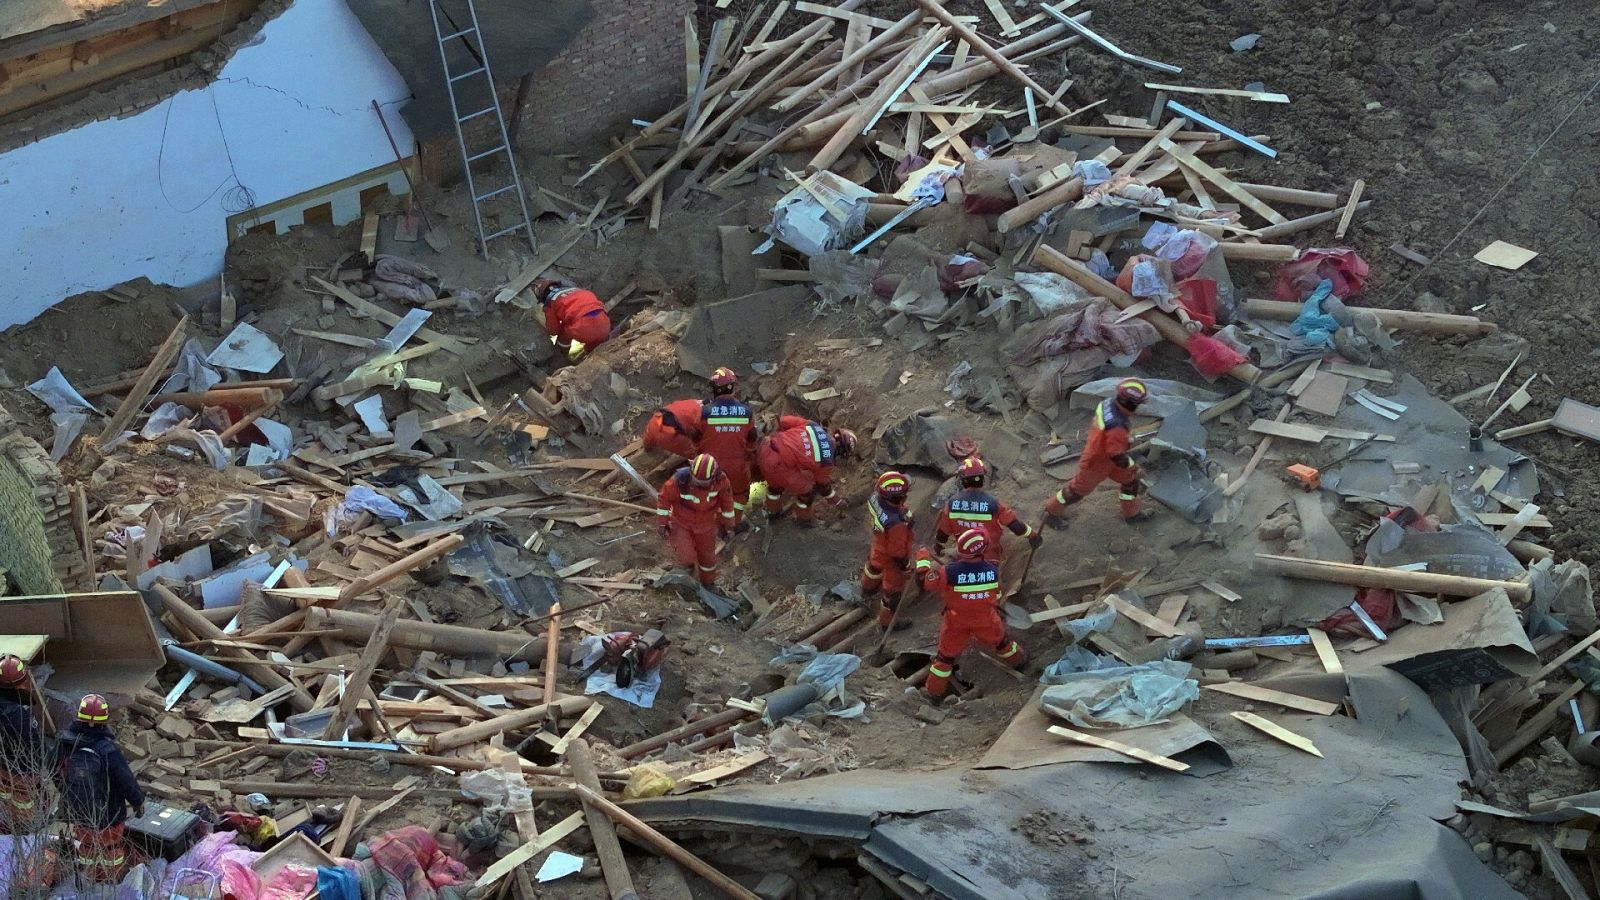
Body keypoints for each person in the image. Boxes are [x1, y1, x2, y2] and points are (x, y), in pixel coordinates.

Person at [914, 529, 1027, 701]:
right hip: (986, 619)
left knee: (945, 658)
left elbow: (926, 583)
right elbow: (995, 594)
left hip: (956, 622)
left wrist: (923, 558)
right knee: (1002, 643)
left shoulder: (948, 572)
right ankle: (1020, 662)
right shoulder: (991, 570)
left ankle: (933, 693)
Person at [57, 694, 143, 883]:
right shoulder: (107, 750)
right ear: (105, 720)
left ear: (78, 716)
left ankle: (89, 880)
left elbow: (55, 771)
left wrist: (67, 794)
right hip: (109, 815)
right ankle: (111, 884)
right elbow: (125, 780)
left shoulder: (65, 743)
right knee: (112, 852)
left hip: (80, 814)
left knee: (87, 849)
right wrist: (138, 802)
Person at [1044, 378, 1153, 527]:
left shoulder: (1107, 404)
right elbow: (1117, 456)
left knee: (1130, 482)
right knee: (1075, 492)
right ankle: (1051, 512)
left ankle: (1131, 514)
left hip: (1103, 454)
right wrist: (1135, 468)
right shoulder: (1117, 428)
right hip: (1096, 463)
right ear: (1131, 404)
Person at [933, 456, 1040, 561]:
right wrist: (1033, 536)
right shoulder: (994, 503)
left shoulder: (952, 504)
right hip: (990, 557)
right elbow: (1016, 527)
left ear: (962, 480)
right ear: (983, 478)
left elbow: (943, 533)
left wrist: (938, 547)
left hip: (965, 557)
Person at [756, 416, 856, 526]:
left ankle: (772, 511)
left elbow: (784, 421)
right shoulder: (826, 461)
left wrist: (788, 441)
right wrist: (836, 501)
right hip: (778, 467)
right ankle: (804, 520)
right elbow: (823, 487)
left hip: (765, 449)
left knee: (776, 486)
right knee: (808, 492)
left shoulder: (812, 425)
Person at [655, 454, 735, 587]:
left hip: (706, 526)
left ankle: (708, 584)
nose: (700, 486)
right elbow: (664, 500)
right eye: (697, 482)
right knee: (686, 556)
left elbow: (727, 505)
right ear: (691, 470)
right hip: (681, 523)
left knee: (707, 559)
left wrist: (729, 527)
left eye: (704, 483)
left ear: (714, 476)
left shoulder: (721, 481)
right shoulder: (679, 481)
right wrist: (661, 523)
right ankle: (688, 574)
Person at [697, 368, 758, 526]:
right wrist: (750, 454)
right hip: (738, 466)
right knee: (739, 494)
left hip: (711, 466)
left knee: (710, 493)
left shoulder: (704, 412)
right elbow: (752, 438)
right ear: (732, 387)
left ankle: (711, 522)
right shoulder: (746, 412)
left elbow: (695, 438)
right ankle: (733, 524)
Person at [861, 471, 916, 629]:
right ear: (898, 498)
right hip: (892, 553)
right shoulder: (897, 524)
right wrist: (905, 567)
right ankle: (887, 621)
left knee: (873, 565)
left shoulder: (875, 498)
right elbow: (897, 553)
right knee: (893, 589)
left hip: (879, 542)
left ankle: (867, 589)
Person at [0, 655, 47, 834]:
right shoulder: (20, 715)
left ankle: (7, 819)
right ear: (22, 681)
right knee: (24, 799)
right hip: (22, 767)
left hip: (4, 762)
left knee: (6, 793)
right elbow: (33, 744)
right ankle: (24, 829)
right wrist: (38, 765)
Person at [534, 278, 611, 360]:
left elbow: (554, 330)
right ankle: (593, 355)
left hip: (583, 329)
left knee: (564, 333)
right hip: (604, 324)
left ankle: (562, 358)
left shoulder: (551, 302)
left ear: (543, 298)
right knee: (597, 346)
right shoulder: (578, 290)